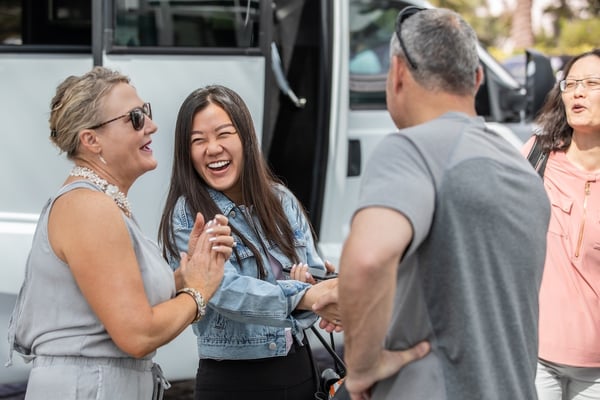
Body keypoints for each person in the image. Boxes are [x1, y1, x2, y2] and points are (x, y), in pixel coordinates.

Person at [335, 6, 551, 400]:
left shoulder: (410, 148)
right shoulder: (523, 172)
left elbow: (367, 260)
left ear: (397, 72)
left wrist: (363, 366)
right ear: (479, 78)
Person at [5, 66, 234, 400]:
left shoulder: (101, 203)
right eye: (136, 118)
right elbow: (137, 334)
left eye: (147, 113)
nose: (152, 126)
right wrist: (199, 292)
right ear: (91, 140)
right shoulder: (88, 208)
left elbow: (116, 303)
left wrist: (183, 277)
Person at [158, 84, 341, 400]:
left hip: (299, 371)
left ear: (245, 138)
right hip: (232, 382)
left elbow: (312, 274)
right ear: (186, 152)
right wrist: (304, 295)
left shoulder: (282, 200)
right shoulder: (188, 214)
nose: (212, 148)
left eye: (223, 134)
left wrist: (320, 295)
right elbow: (223, 292)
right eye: (198, 140)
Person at [521, 48, 600, 400]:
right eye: (572, 83)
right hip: (535, 355)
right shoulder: (536, 154)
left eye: (592, 83)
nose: (578, 92)